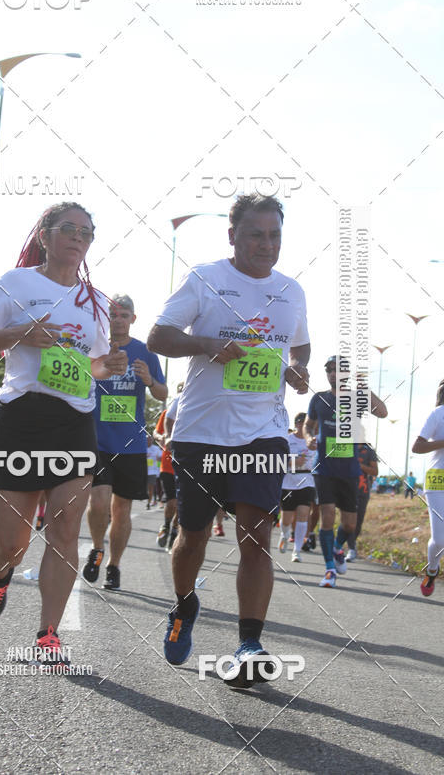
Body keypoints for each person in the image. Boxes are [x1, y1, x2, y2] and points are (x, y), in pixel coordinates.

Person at [148, 193, 310, 689]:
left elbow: (299, 345)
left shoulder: (292, 291)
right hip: (201, 434)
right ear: (233, 236)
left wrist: (298, 370)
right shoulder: (206, 278)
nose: (267, 244)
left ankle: (249, 643)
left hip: (263, 433)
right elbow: (159, 338)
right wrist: (207, 344)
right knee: (193, 534)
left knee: (256, 537)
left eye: (275, 235)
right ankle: (184, 605)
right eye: (256, 234)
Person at [0, 202, 127, 660]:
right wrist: (19, 333)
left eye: (87, 233)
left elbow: (89, 366)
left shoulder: (95, 302)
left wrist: (107, 367)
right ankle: (0, 573)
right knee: (11, 544)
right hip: (21, 418)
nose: (78, 238)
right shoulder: (19, 283)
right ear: (45, 235)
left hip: (73, 422)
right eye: (69, 229)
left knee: (64, 530)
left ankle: (47, 634)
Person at [82, 295, 167, 590]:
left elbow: (162, 394)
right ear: (106, 318)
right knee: (99, 500)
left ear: (133, 318)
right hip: (98, 439)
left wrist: (149, 380)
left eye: (124, 314)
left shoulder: (146, 352)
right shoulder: (94, 348)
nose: (118, 319)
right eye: (113, 314)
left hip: (130, 443)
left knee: (122, 510)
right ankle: (96, 546)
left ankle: (114, 565)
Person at [304, 357, 387, 588]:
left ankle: (338, 548)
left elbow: (382, 411)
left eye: (337, 370)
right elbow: (308, 425)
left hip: (349, 470)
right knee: (327, 515)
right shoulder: (318, 398)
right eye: (329, 370)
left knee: (350, 524)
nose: (333, 374)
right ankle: (329, 569)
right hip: (324, 467)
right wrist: (310, 437)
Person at [411, 379, 444, 597]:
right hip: (437, 480)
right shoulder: (438, 414)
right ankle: (432, 569)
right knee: (441, 540)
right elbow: (417, 446)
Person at [280, 412, 315, 562]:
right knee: (286, 518)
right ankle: (285, 534)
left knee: (303, 514)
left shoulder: (313, 441)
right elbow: (278, 460)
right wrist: (293, 461)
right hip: (289, 480)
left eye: (305, 424)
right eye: (300, 423)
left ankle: (297, 550)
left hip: (307, 480)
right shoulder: (287, 440)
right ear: (296, 424)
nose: (303, 427)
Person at [154, 384, 183, 551]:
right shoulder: (167, 415)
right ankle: (166, 526)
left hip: (186, 466)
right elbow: (156, 433)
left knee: (181, 505)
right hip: (168, 465)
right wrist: (164, 437)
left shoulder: (195, 413)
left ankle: (174, 531)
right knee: (172, 502)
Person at [344, 442, 378, 561]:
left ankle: (349, 545)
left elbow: (375, 471)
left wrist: (360, 466)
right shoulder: (345, 447)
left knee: (358, 521)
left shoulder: (369, 451)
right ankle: (351, 548)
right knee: (348, 520)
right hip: (347, 489)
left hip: (363, 491)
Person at [146, 435, 162, 509]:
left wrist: (158, 458)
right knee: (145, 489)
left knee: (151, 488)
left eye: (150, 439)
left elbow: (161, 458)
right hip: (143, 472)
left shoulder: (156, 449)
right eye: (147, 439)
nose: (148, 441)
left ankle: (148, 503)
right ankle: (150, 500)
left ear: (152, 440)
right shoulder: (142, 448)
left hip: (152, 472)